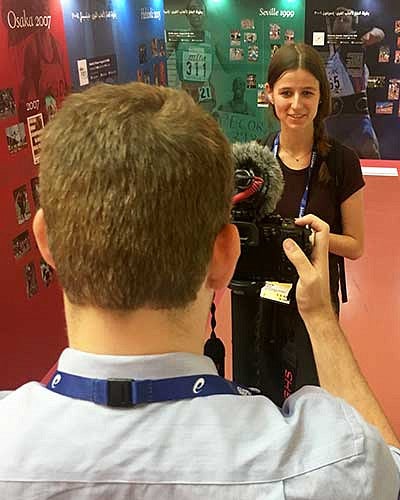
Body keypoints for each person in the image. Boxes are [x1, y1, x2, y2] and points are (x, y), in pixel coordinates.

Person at [0, 82, 398, 498]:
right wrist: (320, 318)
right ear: (226, 255)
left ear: (45, 239)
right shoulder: (330, 466)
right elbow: (389, 469)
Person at [250, 43, 365, 404]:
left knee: (314, 392)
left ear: (321, 97)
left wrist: (321, 238)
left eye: (307, 93)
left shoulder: (343, 162)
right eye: (286, 93)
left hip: (316, 297)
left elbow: (356, 245)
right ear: (269, 95)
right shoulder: (254, 158)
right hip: (262, 295)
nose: (296, 105)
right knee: (263, 389)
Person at [324, 6, 384, 158]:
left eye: (346, 20)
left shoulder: (355, 45)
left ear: (352, 25)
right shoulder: (330, 54)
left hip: (357, 118)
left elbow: (379, 33)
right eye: (339, 19)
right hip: (333, 118)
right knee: (333, 161)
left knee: (371, 155)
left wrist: (365, 38)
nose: (341, 21)